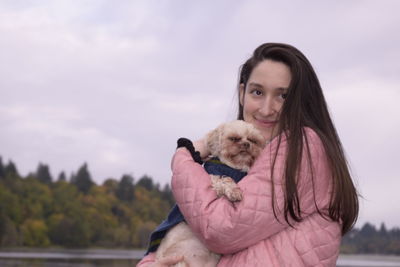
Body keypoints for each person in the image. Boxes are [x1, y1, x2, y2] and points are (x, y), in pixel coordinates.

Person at [137, 42, 359, 266]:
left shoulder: (304, 147)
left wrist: (185, 156)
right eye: (257, 92)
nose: (266, 108)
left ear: (301, 101)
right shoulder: (249, 164)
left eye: (283, 96)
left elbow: (219, 228)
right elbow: (181, 228)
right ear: (242, 93)